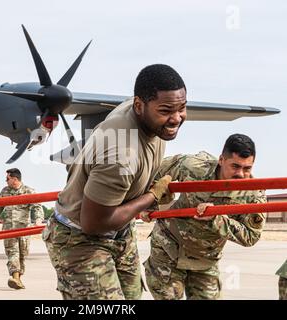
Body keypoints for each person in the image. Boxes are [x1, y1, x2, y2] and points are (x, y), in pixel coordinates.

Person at [43, 64, 187, 300]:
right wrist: (151, 196)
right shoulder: (121, 155)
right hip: (81, 238)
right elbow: (94, 223)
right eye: (166, 110)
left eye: (182, 108)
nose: (176, 118)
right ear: (139, 106)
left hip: (120, 232)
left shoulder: (147, 117)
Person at [142, 133, 267, 300]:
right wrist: (148, 203)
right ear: (222, 160)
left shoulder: (253, 194)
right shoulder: (195, 166)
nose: (241, 174)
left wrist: (217, 219)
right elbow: (152, 171)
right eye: (235, 166)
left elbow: (251, 236)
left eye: (247, 168)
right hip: (169, 247)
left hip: (205, 260)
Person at [0, 168, 44, 290]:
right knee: (13, 253)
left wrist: (38, 220)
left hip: (24, 230)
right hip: (8, 229)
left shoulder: (29, 191)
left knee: (23, 255)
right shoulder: (5, 191)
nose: (5, 181)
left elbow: (37, 207)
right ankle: (15, 278)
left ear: (14, 179)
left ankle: (18, 279)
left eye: (7, 178)